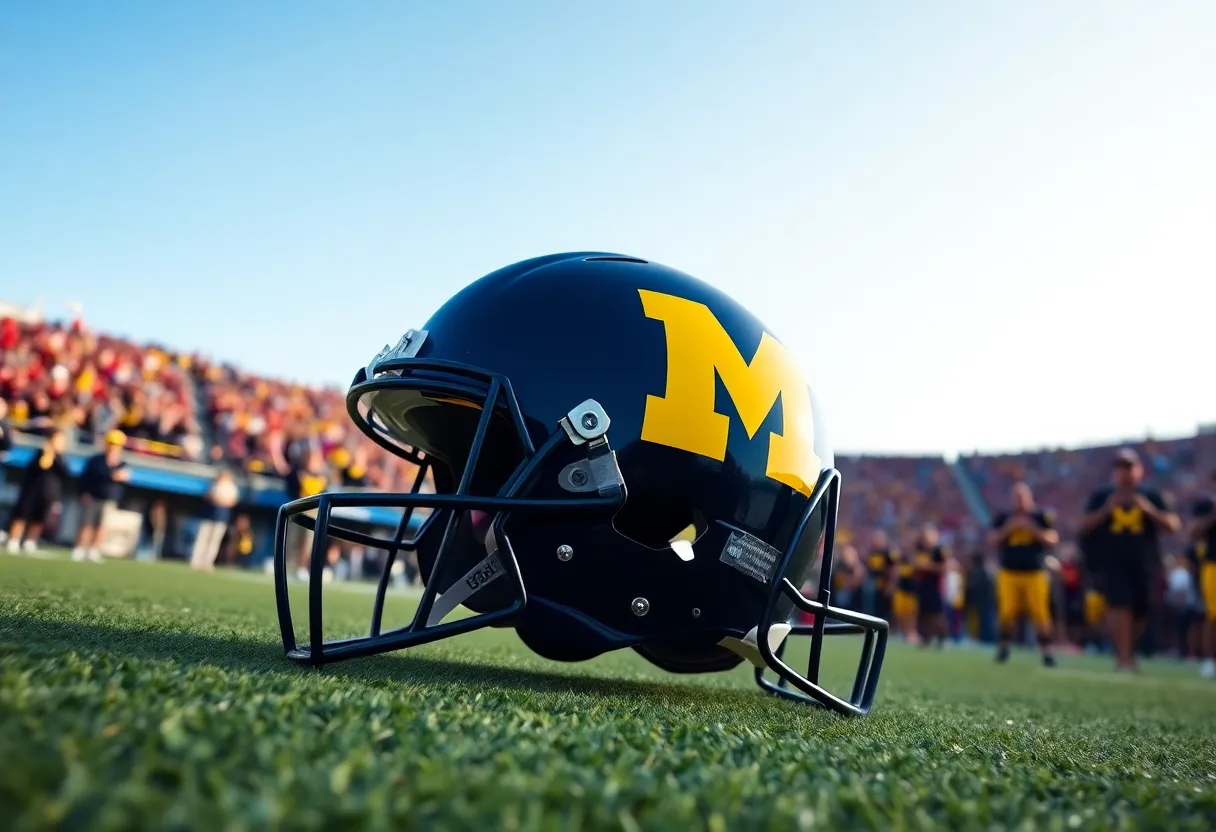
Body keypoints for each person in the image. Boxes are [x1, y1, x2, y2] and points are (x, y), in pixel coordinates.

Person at [1079, 447, 1181, 672]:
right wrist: (1106, 510)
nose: (1125, 473)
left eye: (1129, 467)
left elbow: (1173, 524)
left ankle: (1129, 654)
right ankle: (1123, 658)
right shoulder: (1102, 495)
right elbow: (1084, 525)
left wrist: (1148, 510)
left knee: (1141, 612)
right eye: (1120, 468)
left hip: (1145, 563)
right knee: (1119, 606)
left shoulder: (1151, 495)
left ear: (1139, 470)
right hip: (1113, 562)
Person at [989, 482, 1060, 667]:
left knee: (1041, 613)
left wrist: (1032, 529)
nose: (1019, 501)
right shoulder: (1004, 517)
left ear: (1030, 498)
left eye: (1022, 497)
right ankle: (1004, 648)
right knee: (1006, 611)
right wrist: (1009, 529)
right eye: (1016, 497)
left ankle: (1046, 652)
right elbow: (992, 540)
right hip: (1009, 573)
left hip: (1034, 573)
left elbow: (1052, 539)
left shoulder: (1040, 516)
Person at [6, 429, 70, 554]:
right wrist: (47, 454)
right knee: (22, 515)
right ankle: (14, 540)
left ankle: (31, 541)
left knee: (39, 518)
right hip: (32, 490)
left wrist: (56, 456)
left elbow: (65, 473)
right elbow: (39, 467)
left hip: (47, 493)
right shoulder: (41, 453)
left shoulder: (61, 458)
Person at [72, 429, 131, 563]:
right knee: (86, 523)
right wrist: (83, 492)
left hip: (109, 498)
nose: (113, 447)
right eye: (111, 444)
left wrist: (120, 477)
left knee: (101, 526)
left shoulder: (122, 464)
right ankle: (80, 548)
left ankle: (94, 549)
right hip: (92, 495)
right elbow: (85, 478)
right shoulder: (96, 460)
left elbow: (124, 479)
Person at [190, 468, 241, 571]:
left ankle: (207, 562)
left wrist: (222, 500)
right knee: (201, 538)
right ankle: (195, 561)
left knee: (214, 541)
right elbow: (208, 496)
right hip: (209, 515)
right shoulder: (214, 484)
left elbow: (233, 500)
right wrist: (217, 499)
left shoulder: (231, 487)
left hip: (221, 516)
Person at [1190, 494, 1216, 678]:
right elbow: (1194, 533)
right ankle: (1209, 660)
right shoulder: (1207, 505)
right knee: (1213, 614)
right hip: (1213, 564)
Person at [912, 523, 947, 648]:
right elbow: (915, 565)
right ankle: (925, 638)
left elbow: (944, 567)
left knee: (936, 613)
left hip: (935, 585)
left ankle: (942, 636)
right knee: (923, 613)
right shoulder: (920, 549)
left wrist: (927, 566)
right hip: (922, 585)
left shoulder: (939, 550)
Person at [864, 529, 896, 622]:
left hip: (884, 585)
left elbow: (893, 570)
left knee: (884, 608)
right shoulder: (871, 552)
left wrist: (890, 585)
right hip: (873, 585)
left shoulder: (888, 553)